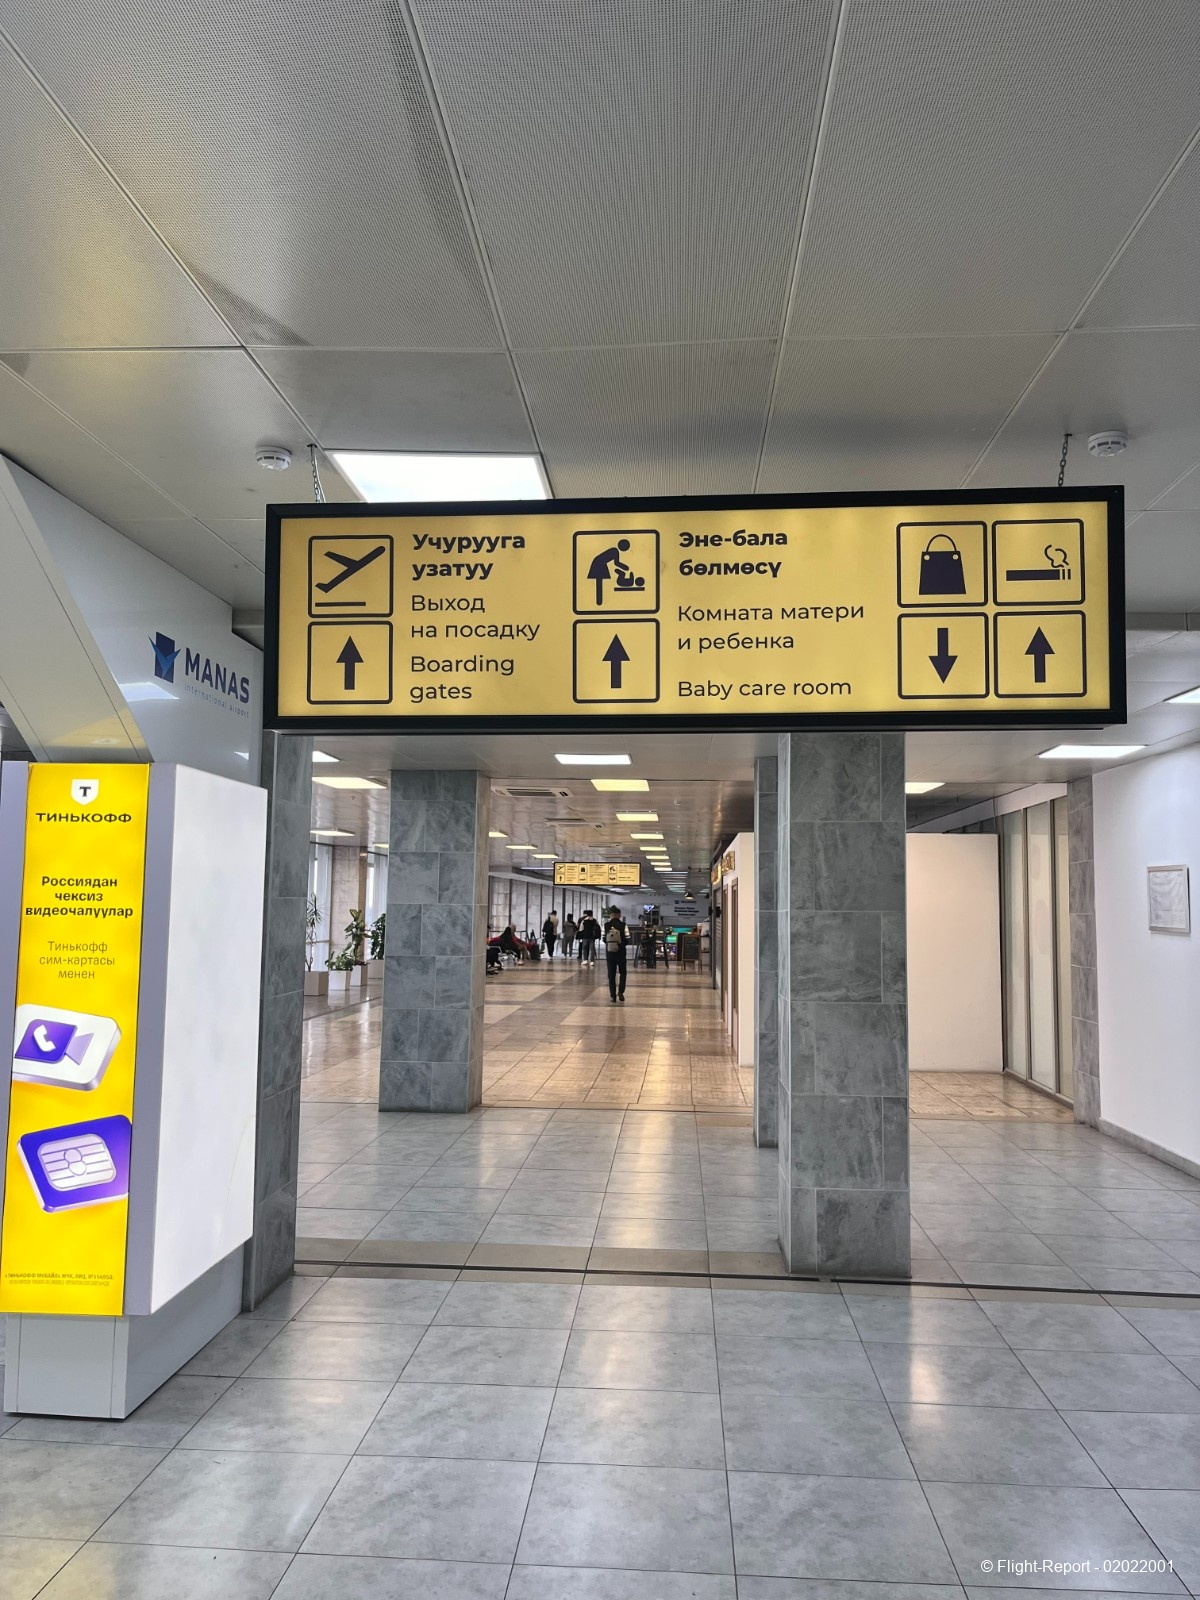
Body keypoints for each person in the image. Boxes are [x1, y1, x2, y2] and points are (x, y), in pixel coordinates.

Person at [603, 908, 628, 1002]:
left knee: (611, 975)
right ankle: (621, 992)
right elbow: (627, 938)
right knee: (623, 973)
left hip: (610, 953)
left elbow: (604, 939)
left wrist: (611, 945)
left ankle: (612, 996)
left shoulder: (606, 925)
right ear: (619, 915)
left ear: (611, 915)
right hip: (621, 953)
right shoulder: (624, 925)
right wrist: (620, 945)